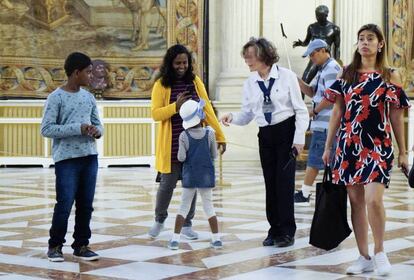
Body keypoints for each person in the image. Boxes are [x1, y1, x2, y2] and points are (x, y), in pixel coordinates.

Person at [322, 24, 409, 276]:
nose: (365, 43)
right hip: (349, 146)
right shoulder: (347, 72)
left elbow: (396, 114)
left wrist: (402, 150)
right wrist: (329, 146)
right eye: (361, 39)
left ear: (380, 44)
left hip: (378, 146)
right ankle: (364, 256)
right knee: (356, 202)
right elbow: (337, 111)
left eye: (370, 39)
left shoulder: (389, 75)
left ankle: (380, 252)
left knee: (374, 200)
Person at [220, 37, 309, 247]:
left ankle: (287, 231)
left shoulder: (287, 77)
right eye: (246, 57)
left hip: (286, 133)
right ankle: (274, 230)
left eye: (250, 56)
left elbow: (301, 110)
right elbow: (248, 114)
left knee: (284, 184)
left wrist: (298, 140)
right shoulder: (250, 82)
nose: (247, 61)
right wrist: (232, 117)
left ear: (263, 55)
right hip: (266, 135)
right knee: (270, 183)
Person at [149, 44, 226, 239]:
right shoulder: (161, 85)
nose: (182, 66)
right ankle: (159, 220)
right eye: (177, 63)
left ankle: (187, 224)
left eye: (185, 62)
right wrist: (176, 106)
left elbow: (207, 109)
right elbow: (156, 114)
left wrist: (220, 135)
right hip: (172, 143)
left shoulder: (195, 82)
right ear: (170, 63)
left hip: (195, 145)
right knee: (166, 186)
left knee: (190, 186)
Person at [41, 52, 103, 262]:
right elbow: (47, 129)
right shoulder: (55, 98)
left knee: (86, 204)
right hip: (66, 160)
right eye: (88, 72)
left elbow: (98, 122)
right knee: (65, 203)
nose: (91, 75)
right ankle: (55, 246)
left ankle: (81, 245)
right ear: (76, 73)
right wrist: (78, 128)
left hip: (89, 157)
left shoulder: (89, 97)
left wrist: (97, 131)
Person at [168, 99, 222, 250]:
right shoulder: (210, 134)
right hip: (206, 173)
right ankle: (216, 238)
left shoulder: (183, 136)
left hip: (190, 174)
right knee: (209, 206)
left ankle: (175, 240)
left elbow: (181, 158)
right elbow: (214, 155)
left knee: (183, 207)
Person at [294, 39, 341, 205]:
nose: (311, 58)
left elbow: (331, 97)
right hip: (323, 124)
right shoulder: (323, 70)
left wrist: (314, 111)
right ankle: (310, 192)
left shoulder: (331, 69)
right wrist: (297, 81)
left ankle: (305, 194)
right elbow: (312, 92)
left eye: (313, 54)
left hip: (327, 124)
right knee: (318, 159)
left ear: (323, 50)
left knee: (314, 160)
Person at [293, 5, 341, 84]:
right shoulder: (312, 27)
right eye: (317, 15)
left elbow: (337, 47)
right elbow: (307, 42)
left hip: (327, 59)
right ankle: (300, 96)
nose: (318, 18)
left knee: (329, 83)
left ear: (326, 15)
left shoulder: (334, 29)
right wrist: (301, 43)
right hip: (314, 57)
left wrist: (337, 62)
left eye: (320, 16)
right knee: (304, 80)